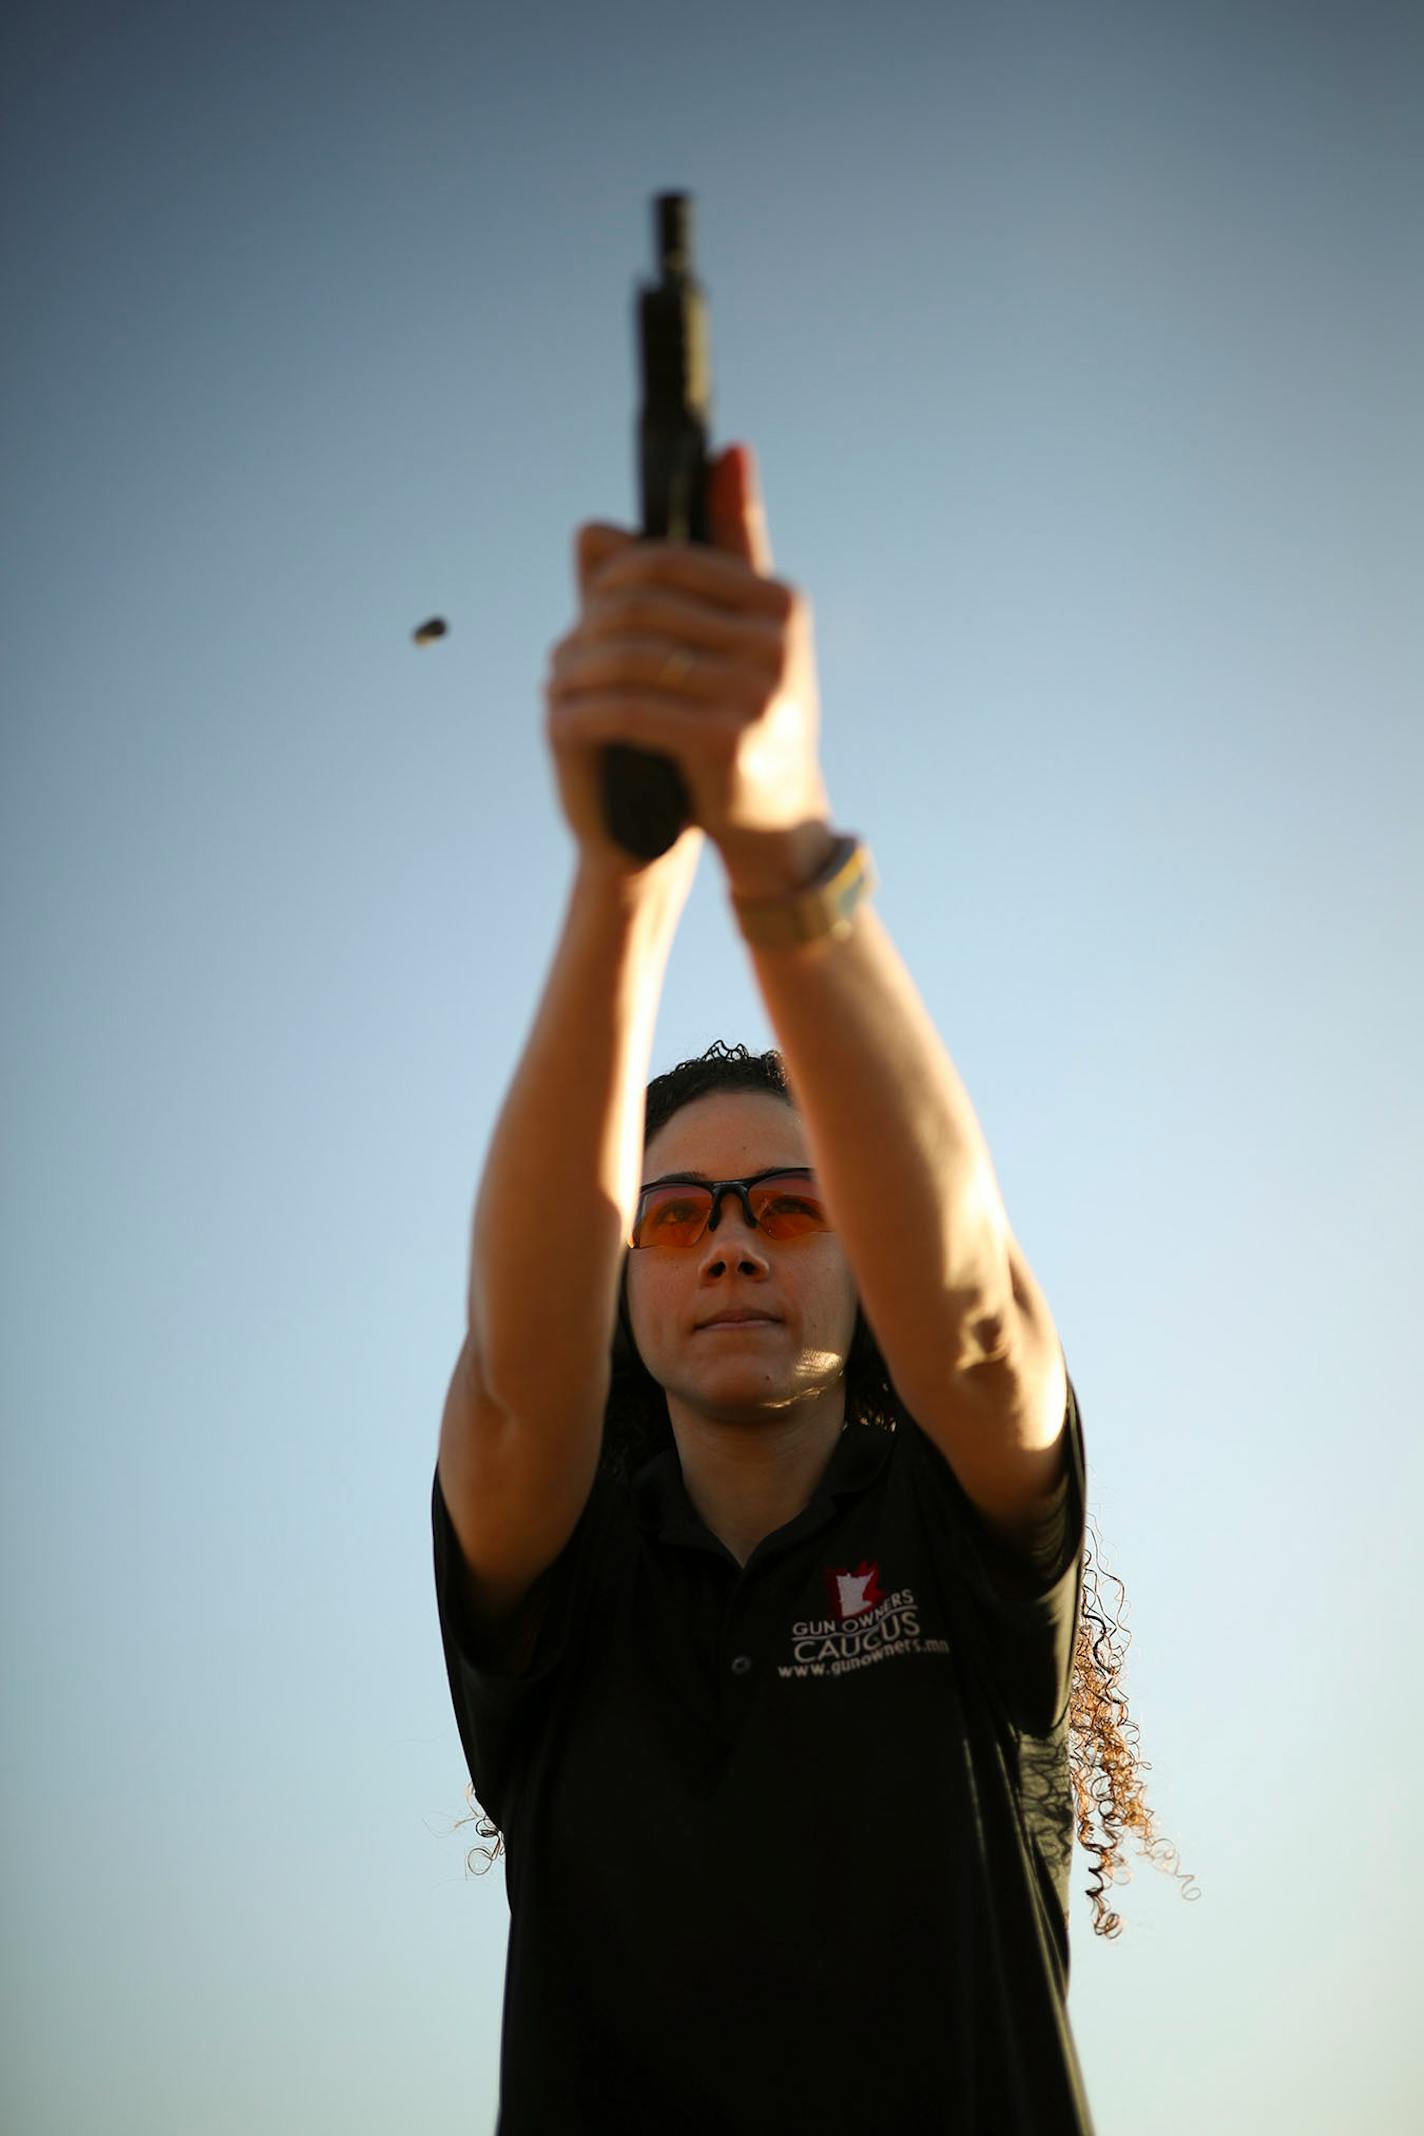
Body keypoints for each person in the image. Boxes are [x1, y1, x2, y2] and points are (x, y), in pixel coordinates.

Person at [432, 445, 1178, 2133]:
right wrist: (627, 872)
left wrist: (775, 843)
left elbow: (982, 1325)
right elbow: (512, 1383)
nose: (737, 1245)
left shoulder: (960, 1548)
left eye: (787, 1205)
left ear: (857, 1253)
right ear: (626, 1278)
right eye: (678, 1218)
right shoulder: (566, 1591)